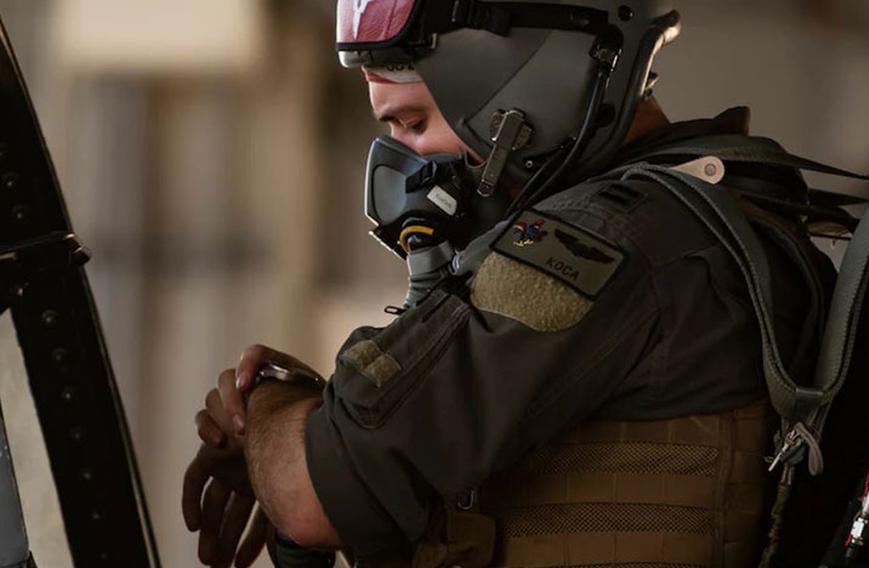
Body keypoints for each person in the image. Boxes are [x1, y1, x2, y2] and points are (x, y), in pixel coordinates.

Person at [182, 1, 832, 566]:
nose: (410, 166)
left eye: (413, 124)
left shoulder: (606, 241)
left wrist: (262, 407)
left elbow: (313, 491)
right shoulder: (697, 220)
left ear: (520, 87)